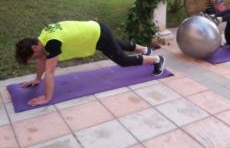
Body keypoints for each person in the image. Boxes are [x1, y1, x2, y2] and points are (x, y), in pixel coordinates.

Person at [15, 20, 165, 106]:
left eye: (33, 57)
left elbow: (50, 71)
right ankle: (146, 50)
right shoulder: (42, 37)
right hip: (94, 30)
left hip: (97, 34)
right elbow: (42, 59)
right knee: (118, 45)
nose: (36, 59)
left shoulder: (52, 43)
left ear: (35, 47)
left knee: (123, 61)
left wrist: (47, 98)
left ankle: (157, 59)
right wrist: (36, 79)